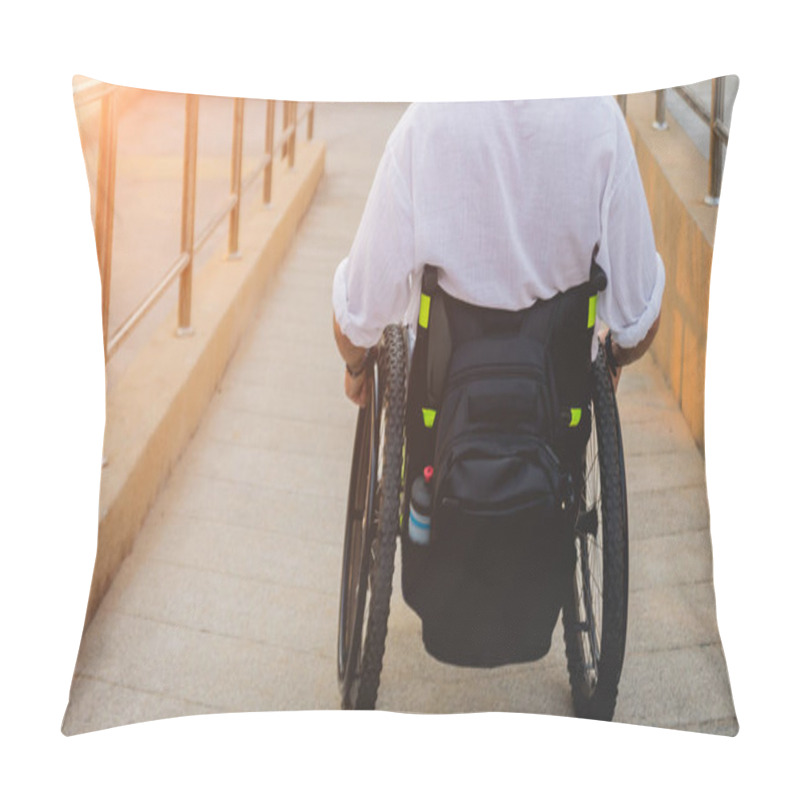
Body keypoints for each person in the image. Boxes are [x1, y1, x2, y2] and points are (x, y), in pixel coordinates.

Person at [333, 99, 664, 405]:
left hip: (440, 409)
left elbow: (358, 312)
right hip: (557, 415)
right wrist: (613, 358)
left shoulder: (426, 121)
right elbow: (641, 320)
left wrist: (357, 368)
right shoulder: (600, 119)